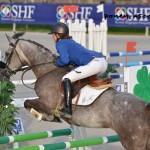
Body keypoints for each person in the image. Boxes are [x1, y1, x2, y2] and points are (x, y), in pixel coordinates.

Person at [49, 22, 108, 118]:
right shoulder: (71, 42)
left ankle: (68, 109)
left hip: (94, 64)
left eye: (53, 34)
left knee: (66, 78)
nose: (52, 37)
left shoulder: (60, 44)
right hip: (102, 62)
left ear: (58, 35)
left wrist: (56, 62)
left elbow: (64, 60)